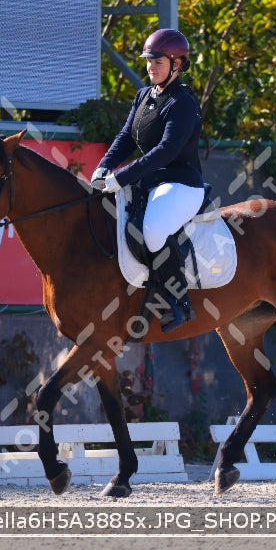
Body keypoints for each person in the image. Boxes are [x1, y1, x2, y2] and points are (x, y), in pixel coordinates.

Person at [91, 28, 204, 333]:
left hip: (181, 184)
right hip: (150, 182)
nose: (150, 66)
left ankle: (179, 301)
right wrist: (104, 167)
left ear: (177, 64)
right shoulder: (144, 94)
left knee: (153, 230)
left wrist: (121, 177)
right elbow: (126, 137)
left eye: (157, 61)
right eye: (148, 60)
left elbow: (166, 152)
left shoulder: (182, 102)